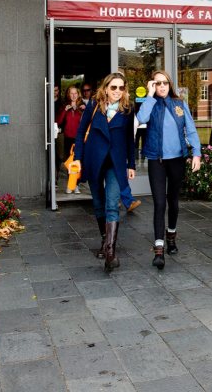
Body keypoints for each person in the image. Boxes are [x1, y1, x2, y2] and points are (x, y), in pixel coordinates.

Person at [136, 70, 202, 270]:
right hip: (157, 160)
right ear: (152, 85)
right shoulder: (149, 103)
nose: (161, 86)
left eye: (164, 82)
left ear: (169, 84)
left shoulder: (179, 104)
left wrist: (196, 153)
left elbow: (190, 129)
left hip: (177, 160)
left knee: (173, 202)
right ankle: (158, 249)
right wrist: (148, 95)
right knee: (159, 203)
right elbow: (141, 119)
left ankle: (171, 236)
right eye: (157, 83)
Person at [73, 73, 136, 272]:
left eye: (121, 88)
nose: (118, 91)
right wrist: (77, 158)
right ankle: (104, 239)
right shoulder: (93, 106)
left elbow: (130, 140)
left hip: (115, 164)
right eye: (114, 87)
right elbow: (81, 131)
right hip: (94, 160)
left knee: (111, 203)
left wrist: (131, 164)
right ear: (106, 88)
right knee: (98, 204)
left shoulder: (127, 110)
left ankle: (110, 252)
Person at [60, 85, 84, 193]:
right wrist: (65, 110)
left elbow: (86, 122)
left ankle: (76, 185)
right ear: (68, 95)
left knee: (78, 161)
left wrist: (80, 110)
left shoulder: (82, 106)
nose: (74, 95)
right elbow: (59, 121)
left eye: (75, 93)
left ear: (78, 94)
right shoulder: (65, 106)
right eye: (71, 93)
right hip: (68, 138)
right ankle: (70, 185)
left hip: (79, 138)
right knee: (69, 162)